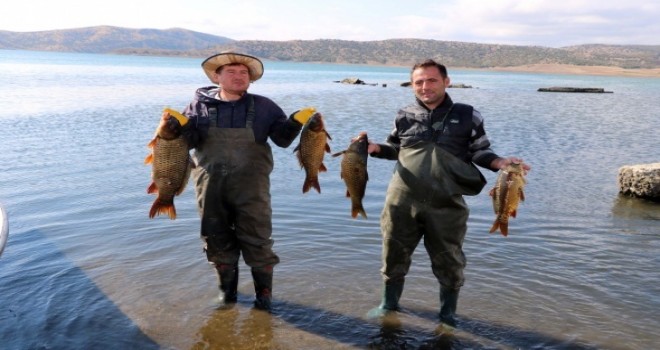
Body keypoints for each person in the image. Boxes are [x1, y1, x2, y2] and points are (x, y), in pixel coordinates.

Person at [366, 59, 531, 328]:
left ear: (446, 81)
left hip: (447, 204)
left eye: (431, 80)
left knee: (450, 261)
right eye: (418, 82)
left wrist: (500, 163)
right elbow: (394, 147)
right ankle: (389, 304)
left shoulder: (468, 115)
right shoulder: (404, 114)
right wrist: (373, 149)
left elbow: (479, 151)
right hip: (401, 201)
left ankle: (447, 316)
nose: (424, 86)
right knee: (393, 254)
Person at [167, 52, 314, 311]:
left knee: (258, 239)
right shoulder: (197, 106)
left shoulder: (265, 106)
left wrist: (293, 122)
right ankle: (227, 295)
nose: (238, 77)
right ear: (217, 76)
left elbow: (282, 140)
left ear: (251, 79)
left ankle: (264, 298)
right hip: (210, 186)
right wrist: (179, 127)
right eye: (231, 72)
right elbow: (187, 144)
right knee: (215, 239)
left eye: (243, 73)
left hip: (252, 188)